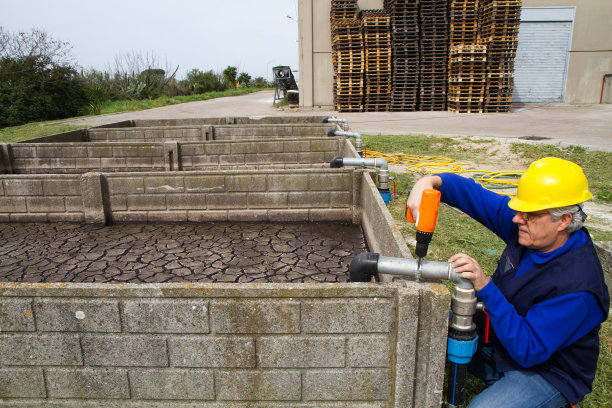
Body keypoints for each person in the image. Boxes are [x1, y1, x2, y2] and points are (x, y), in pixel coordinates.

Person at [406, 157, 609, 408]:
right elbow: (469, 193)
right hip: (497, 341)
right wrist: (428, 182)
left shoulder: (578, 285)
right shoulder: (530, 229)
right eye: (520, 210)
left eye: (530, 214)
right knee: (422, 323)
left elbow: (528, 349)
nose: (517, 219)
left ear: (564, 220)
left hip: (546, 370)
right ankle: (490, 368)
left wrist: (485, 286)